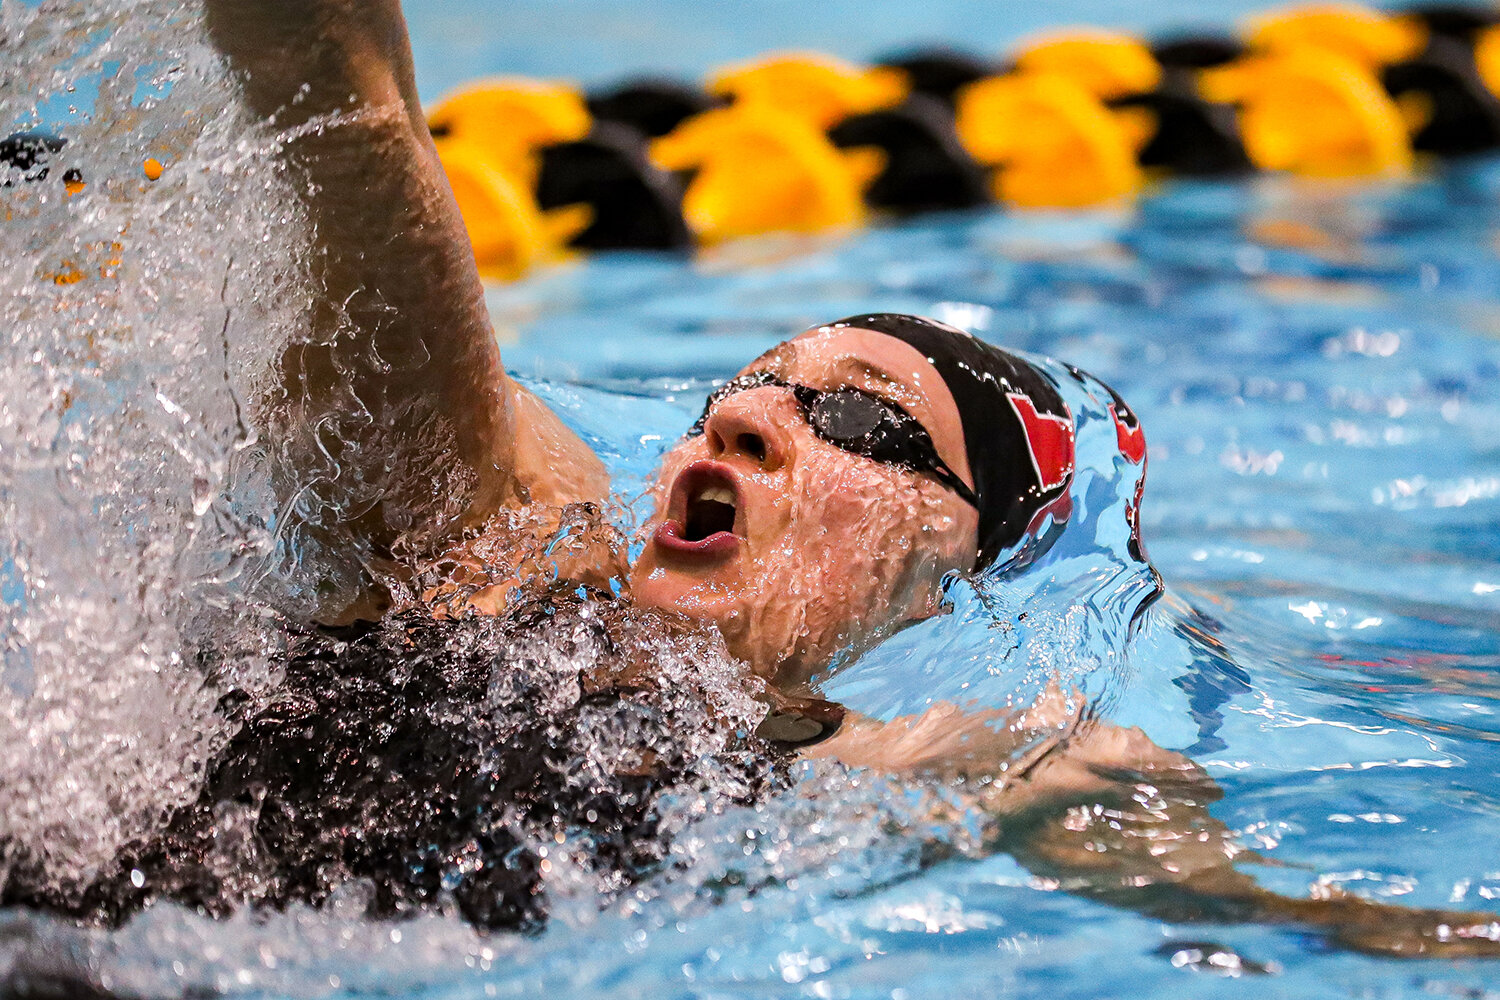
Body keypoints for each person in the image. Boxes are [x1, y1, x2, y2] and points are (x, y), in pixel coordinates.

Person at [6, 0, 1499, 964]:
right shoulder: (517, 551)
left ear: (952, 568)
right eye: (755, 386)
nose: (747, 419)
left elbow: (1309, 928)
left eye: (863, 419)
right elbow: (346, 139)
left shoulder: (935, 773)